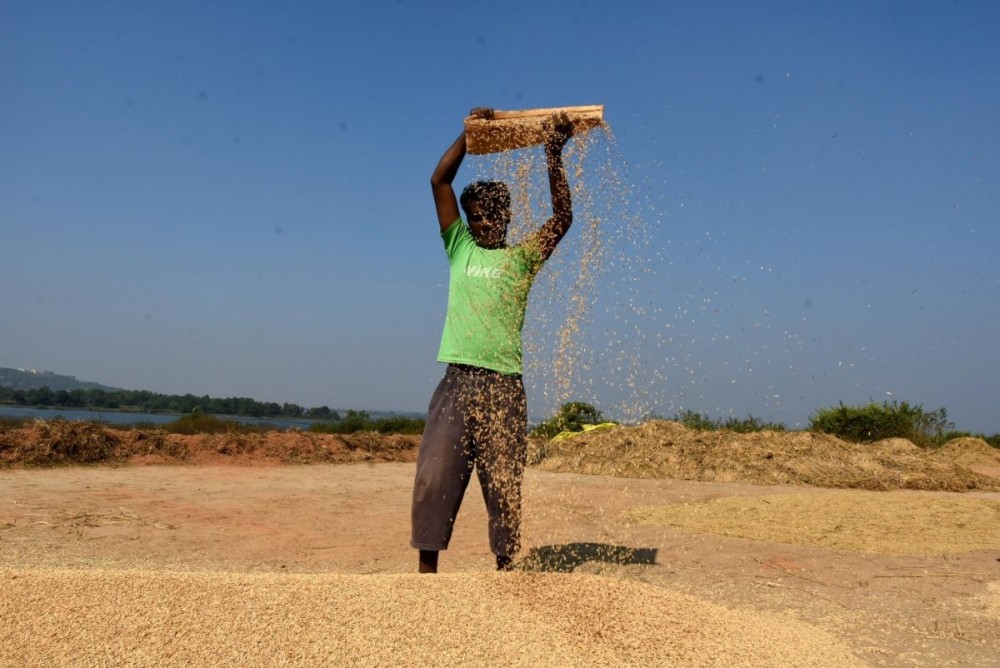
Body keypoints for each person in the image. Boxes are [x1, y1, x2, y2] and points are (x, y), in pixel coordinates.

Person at [411, 107, 575, 573]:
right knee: (434, 478)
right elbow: (438, 182)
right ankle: (426, 579)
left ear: (506, 216)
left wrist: (553, 154)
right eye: (477, 218)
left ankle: (505, 578)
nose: (484, 225)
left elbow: (563, 217)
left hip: (504, 387)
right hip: (457, 382)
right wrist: (470, 134)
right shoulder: (458, 248)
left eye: (492, 217)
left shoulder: (521, 260)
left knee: (504, 486)